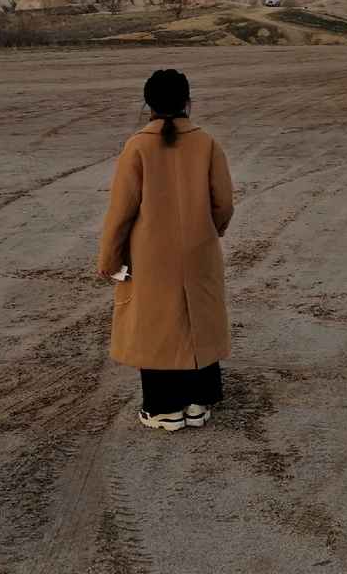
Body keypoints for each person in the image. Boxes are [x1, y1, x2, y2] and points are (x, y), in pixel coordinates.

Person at [98, 69, 235, 432]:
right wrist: (209, 232)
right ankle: (197, 404)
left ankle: (164, 409)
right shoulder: (207, 143)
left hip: (149, 254)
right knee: (197, 319)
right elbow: (223, 203)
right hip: (198, 249)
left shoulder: (137, 146)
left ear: (149, 105)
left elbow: (121, 211)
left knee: (157, 326)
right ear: (188, 101)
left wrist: (109, 259)